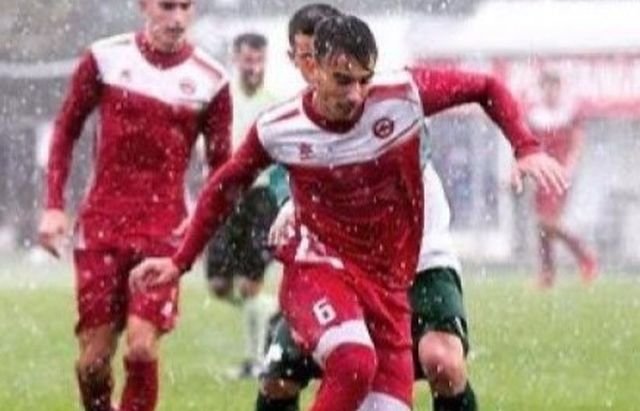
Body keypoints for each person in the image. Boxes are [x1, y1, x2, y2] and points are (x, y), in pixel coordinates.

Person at [130, 15, 566, 411]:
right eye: (343, 80)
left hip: (389, 287)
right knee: (350, 362)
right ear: (313, 68)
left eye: (364, 80)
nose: (356, 94)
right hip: (320, 270)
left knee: (412, 377)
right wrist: (179, 261)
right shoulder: (280, 127)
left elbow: (486, 87)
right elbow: (226, 184)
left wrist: (525, 147)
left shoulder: (402, 95)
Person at [256, 5, 476, 411]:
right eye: (304, 58)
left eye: (319, 57)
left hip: (417, 258)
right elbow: (271, 169)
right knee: (279, 376)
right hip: (336, 269)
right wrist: (289, 201)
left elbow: (384, 170)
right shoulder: (291, 122)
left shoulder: (389, 101)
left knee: (442, 362)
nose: (312, 68)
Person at [37, 1, 231, 410]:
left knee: (141, 347)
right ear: (144, 5)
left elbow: (221, 167)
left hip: (164, 232)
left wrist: (202, 221)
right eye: (167, 6)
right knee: (93, 364)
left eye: (186, 6)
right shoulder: (104, 58)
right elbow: (66, 129)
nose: (177, 18)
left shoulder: (211, 80)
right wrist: (54, 205)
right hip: (102, 228)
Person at [203, 32, 281, 379]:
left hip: (259, 199)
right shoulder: (221, 100)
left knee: (250, 283)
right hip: (224, 197)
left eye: (259, 60)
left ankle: (255, 361)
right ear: (236, 59)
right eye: (248, 59)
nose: (254, 67)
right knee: (219, 285)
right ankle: (272, 310)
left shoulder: (274, 104)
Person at [525, 69, 597, 288]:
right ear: (541, 89)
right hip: (541, 175)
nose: (550, 92)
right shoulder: (535, 115)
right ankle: (547, 274)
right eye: (546, 87)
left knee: (548, 222)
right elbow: (527, 143)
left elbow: (577, 142)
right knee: (542, 226)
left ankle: (585, 256)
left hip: (559, 175)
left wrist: (570, 166)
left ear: (559, 89)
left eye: (554, 87)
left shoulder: (568, 114)